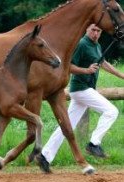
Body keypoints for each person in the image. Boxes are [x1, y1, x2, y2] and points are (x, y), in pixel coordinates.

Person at [39, 24, 124, 173]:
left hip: (84, 91)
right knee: (111, 111)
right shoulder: (82, 44)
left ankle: (45, 156)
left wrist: (122, 76)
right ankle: (94, 144)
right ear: (86, 30)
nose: (95, 33)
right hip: (81, 89)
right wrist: (86, 70)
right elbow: (67, 66)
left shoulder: (96, 45)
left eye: (98, 31)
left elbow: (104, 64)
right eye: (93, 30)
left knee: (67, 126)